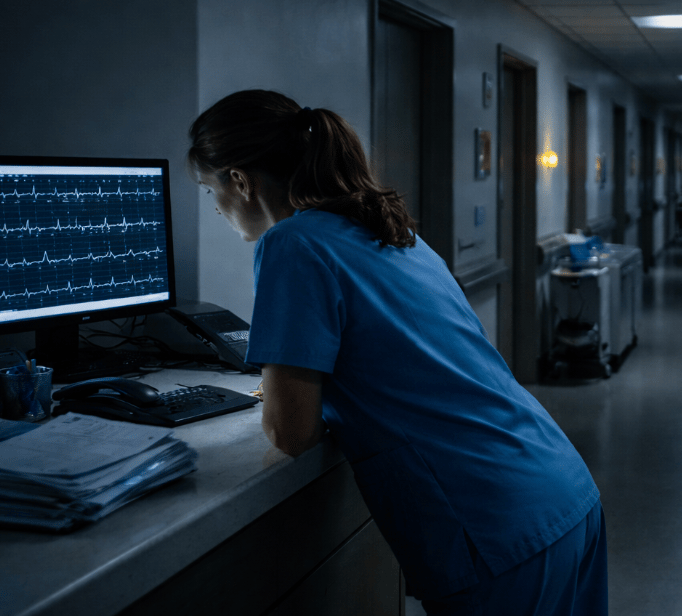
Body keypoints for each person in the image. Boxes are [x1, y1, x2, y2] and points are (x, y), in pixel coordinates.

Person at [187, 90, 606, 615]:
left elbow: (291, 432)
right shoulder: (389, 228)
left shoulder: (292, 244)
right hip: (559, 487)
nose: (218, 208)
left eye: (210, 191)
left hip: (496, 523)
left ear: (240, 181)